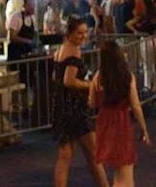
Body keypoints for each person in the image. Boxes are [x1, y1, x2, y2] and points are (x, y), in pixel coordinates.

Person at [50, 17, 108, 187]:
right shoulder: (74, 51)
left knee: (64, 156)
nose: (83, 37)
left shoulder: (60, 50)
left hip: (61, 106)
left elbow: (56, 77)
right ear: (70, 33)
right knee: (94, 154)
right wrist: (90, 84)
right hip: (75, 109)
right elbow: (69, 81)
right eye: (79, 33)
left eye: (85, 33)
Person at [89, 38, 151, 187]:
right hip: (122, 122)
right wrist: (144, 129)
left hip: (104, 122)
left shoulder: (98, 77)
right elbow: (135, 105)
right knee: (125, 172)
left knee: (119, 170)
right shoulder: (127, 77)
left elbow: (91, 103)